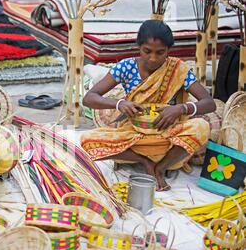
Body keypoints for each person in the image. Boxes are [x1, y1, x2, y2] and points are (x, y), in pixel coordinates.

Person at [81, 20, 216, 191]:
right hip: (134, 135)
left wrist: (181, 109)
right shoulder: (126, 67)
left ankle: (161, 167)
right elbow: (89, 98)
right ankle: (144, 161)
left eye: (160, 53)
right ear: (139, 47)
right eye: (147, 51)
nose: (153, 58)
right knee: (87, 140)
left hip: (167, 135)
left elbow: (209, 103)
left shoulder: (177, 69)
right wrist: (120, 104)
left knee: (201, 126)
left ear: (169, 50)